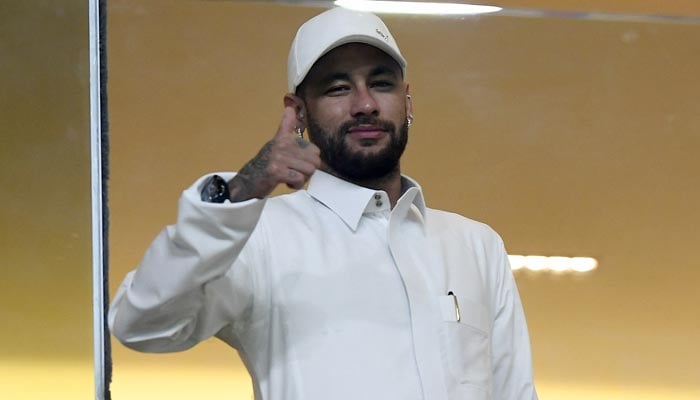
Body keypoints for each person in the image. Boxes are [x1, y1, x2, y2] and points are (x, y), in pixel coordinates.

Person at [109, 7, 538, 400]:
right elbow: (141, 323)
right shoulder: (260, 239)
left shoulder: (476, 246)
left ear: (407, 100)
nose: (365, 104)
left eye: (381, 83)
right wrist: (238, 192)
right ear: (297, 113)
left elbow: (515, 392)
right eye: (337, 88)